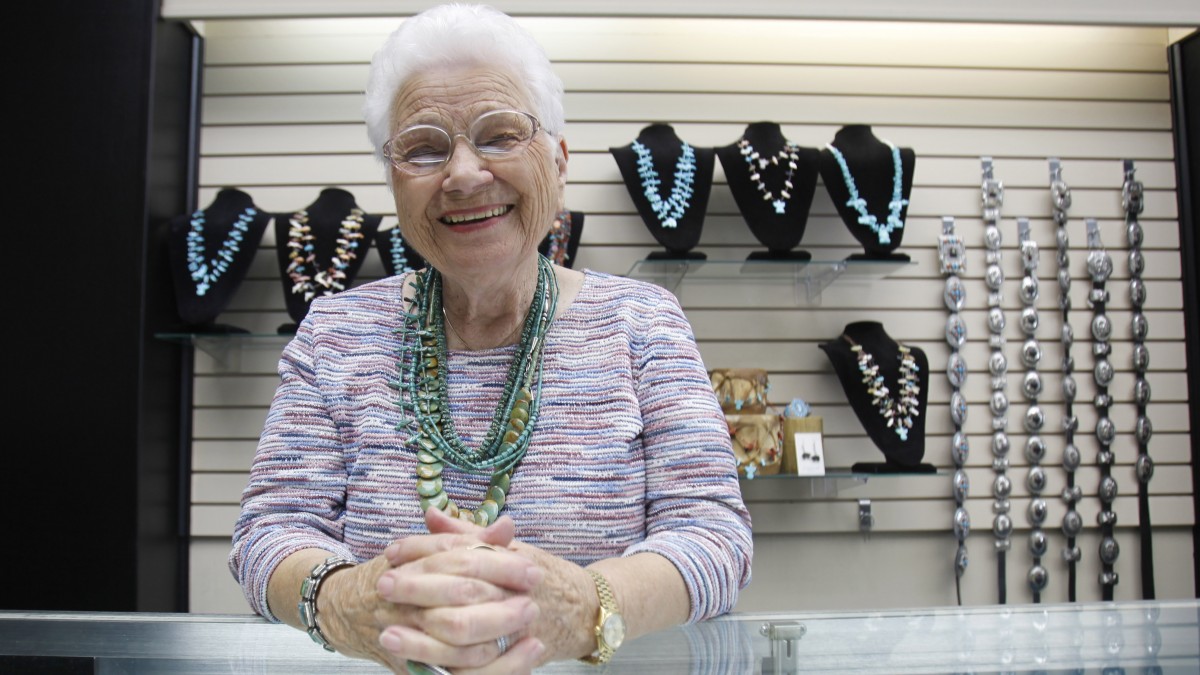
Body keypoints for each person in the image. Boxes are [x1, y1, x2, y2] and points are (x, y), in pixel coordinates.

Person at [229, 5, 753, 673]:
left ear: (559, 163)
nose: (464, 174)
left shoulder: (643, 325)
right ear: (394, 181)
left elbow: (716, 540)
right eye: (423, 147)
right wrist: (347, 599)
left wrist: (585, 605)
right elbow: (265, 535)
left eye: (500, 135)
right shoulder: (336, 334)